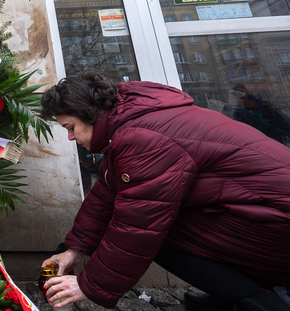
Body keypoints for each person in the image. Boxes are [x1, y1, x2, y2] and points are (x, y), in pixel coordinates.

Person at [38, 71, 290, 311]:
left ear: (89, 114)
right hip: (264, 210)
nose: (70, 137)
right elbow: (106, 193)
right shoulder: (132, 121)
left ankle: (260, 302)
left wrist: (89, 284)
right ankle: (229, 294)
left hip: (277, 216)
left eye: (70, 127)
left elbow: (138, 223)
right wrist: (75, 250)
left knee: (158, 232)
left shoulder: (141, 138)